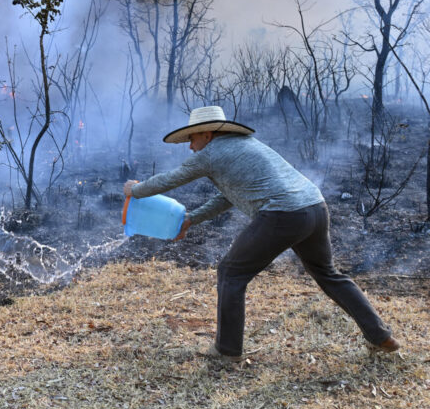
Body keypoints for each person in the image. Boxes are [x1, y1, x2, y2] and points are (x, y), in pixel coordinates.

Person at [123, 105, 400, 360]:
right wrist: (191, 220)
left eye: (191, 140)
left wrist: (134, 190)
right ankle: (381, 336)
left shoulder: (210, 154)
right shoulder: (245, 145)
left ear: (206, 135)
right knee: (329, 274)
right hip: (315, 208)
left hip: (284, 214)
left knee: (231, 272)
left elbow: (171, 179)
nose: (191, 148)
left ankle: (227, 350)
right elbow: (227, 197)